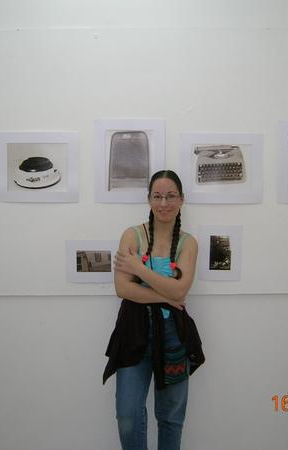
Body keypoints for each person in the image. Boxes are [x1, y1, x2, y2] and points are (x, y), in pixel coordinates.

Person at [103, 170, 205, 450]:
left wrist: (138, 268)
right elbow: (122, 289)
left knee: (171, 418)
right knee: (128, 415)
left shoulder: (188, 243)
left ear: (182, 199)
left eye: (170, 196)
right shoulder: (132, 235)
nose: (163, 203)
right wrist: (166, 296)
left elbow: (180, 292)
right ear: (148, 199)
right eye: (157, 196)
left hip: (174, 337)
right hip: (133, 333)